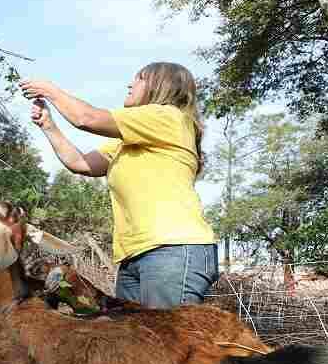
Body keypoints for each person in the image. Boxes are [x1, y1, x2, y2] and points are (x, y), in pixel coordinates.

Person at [17, 62, 218, 308]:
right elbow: (81, 163)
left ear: (160, 86)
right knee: (136, 344)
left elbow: (85, 118)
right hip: (133, 256)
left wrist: (50, 90)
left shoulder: (168, 118)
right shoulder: (128, 142)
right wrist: (49, 126)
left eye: (140, 79)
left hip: (172, 250)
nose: (130, 84)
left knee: (167, 343)